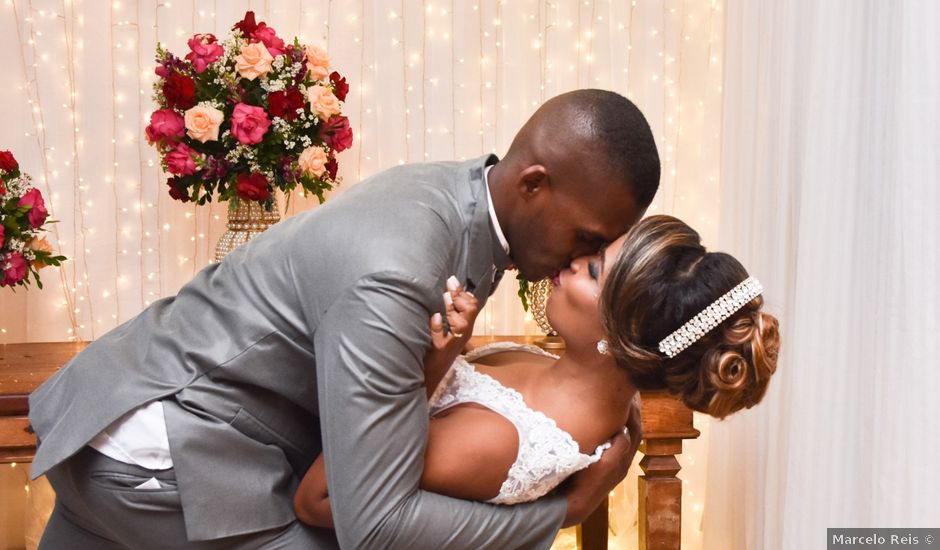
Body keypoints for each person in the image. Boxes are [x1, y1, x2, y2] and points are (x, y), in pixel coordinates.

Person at [29, 89, 661, 549]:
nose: (584, 258)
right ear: (533, 184)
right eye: (586, 237)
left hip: (122, 402)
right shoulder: (398, 266)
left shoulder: (471, 196)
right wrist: (561, 513)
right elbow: (376, 526)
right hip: (162, 450)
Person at [294, 215, 780, 527]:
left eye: (593, 270)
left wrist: (437, 361)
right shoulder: (590, 386)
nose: (573, 261)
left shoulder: (498, 439)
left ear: (622, 341)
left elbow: (318, 501)